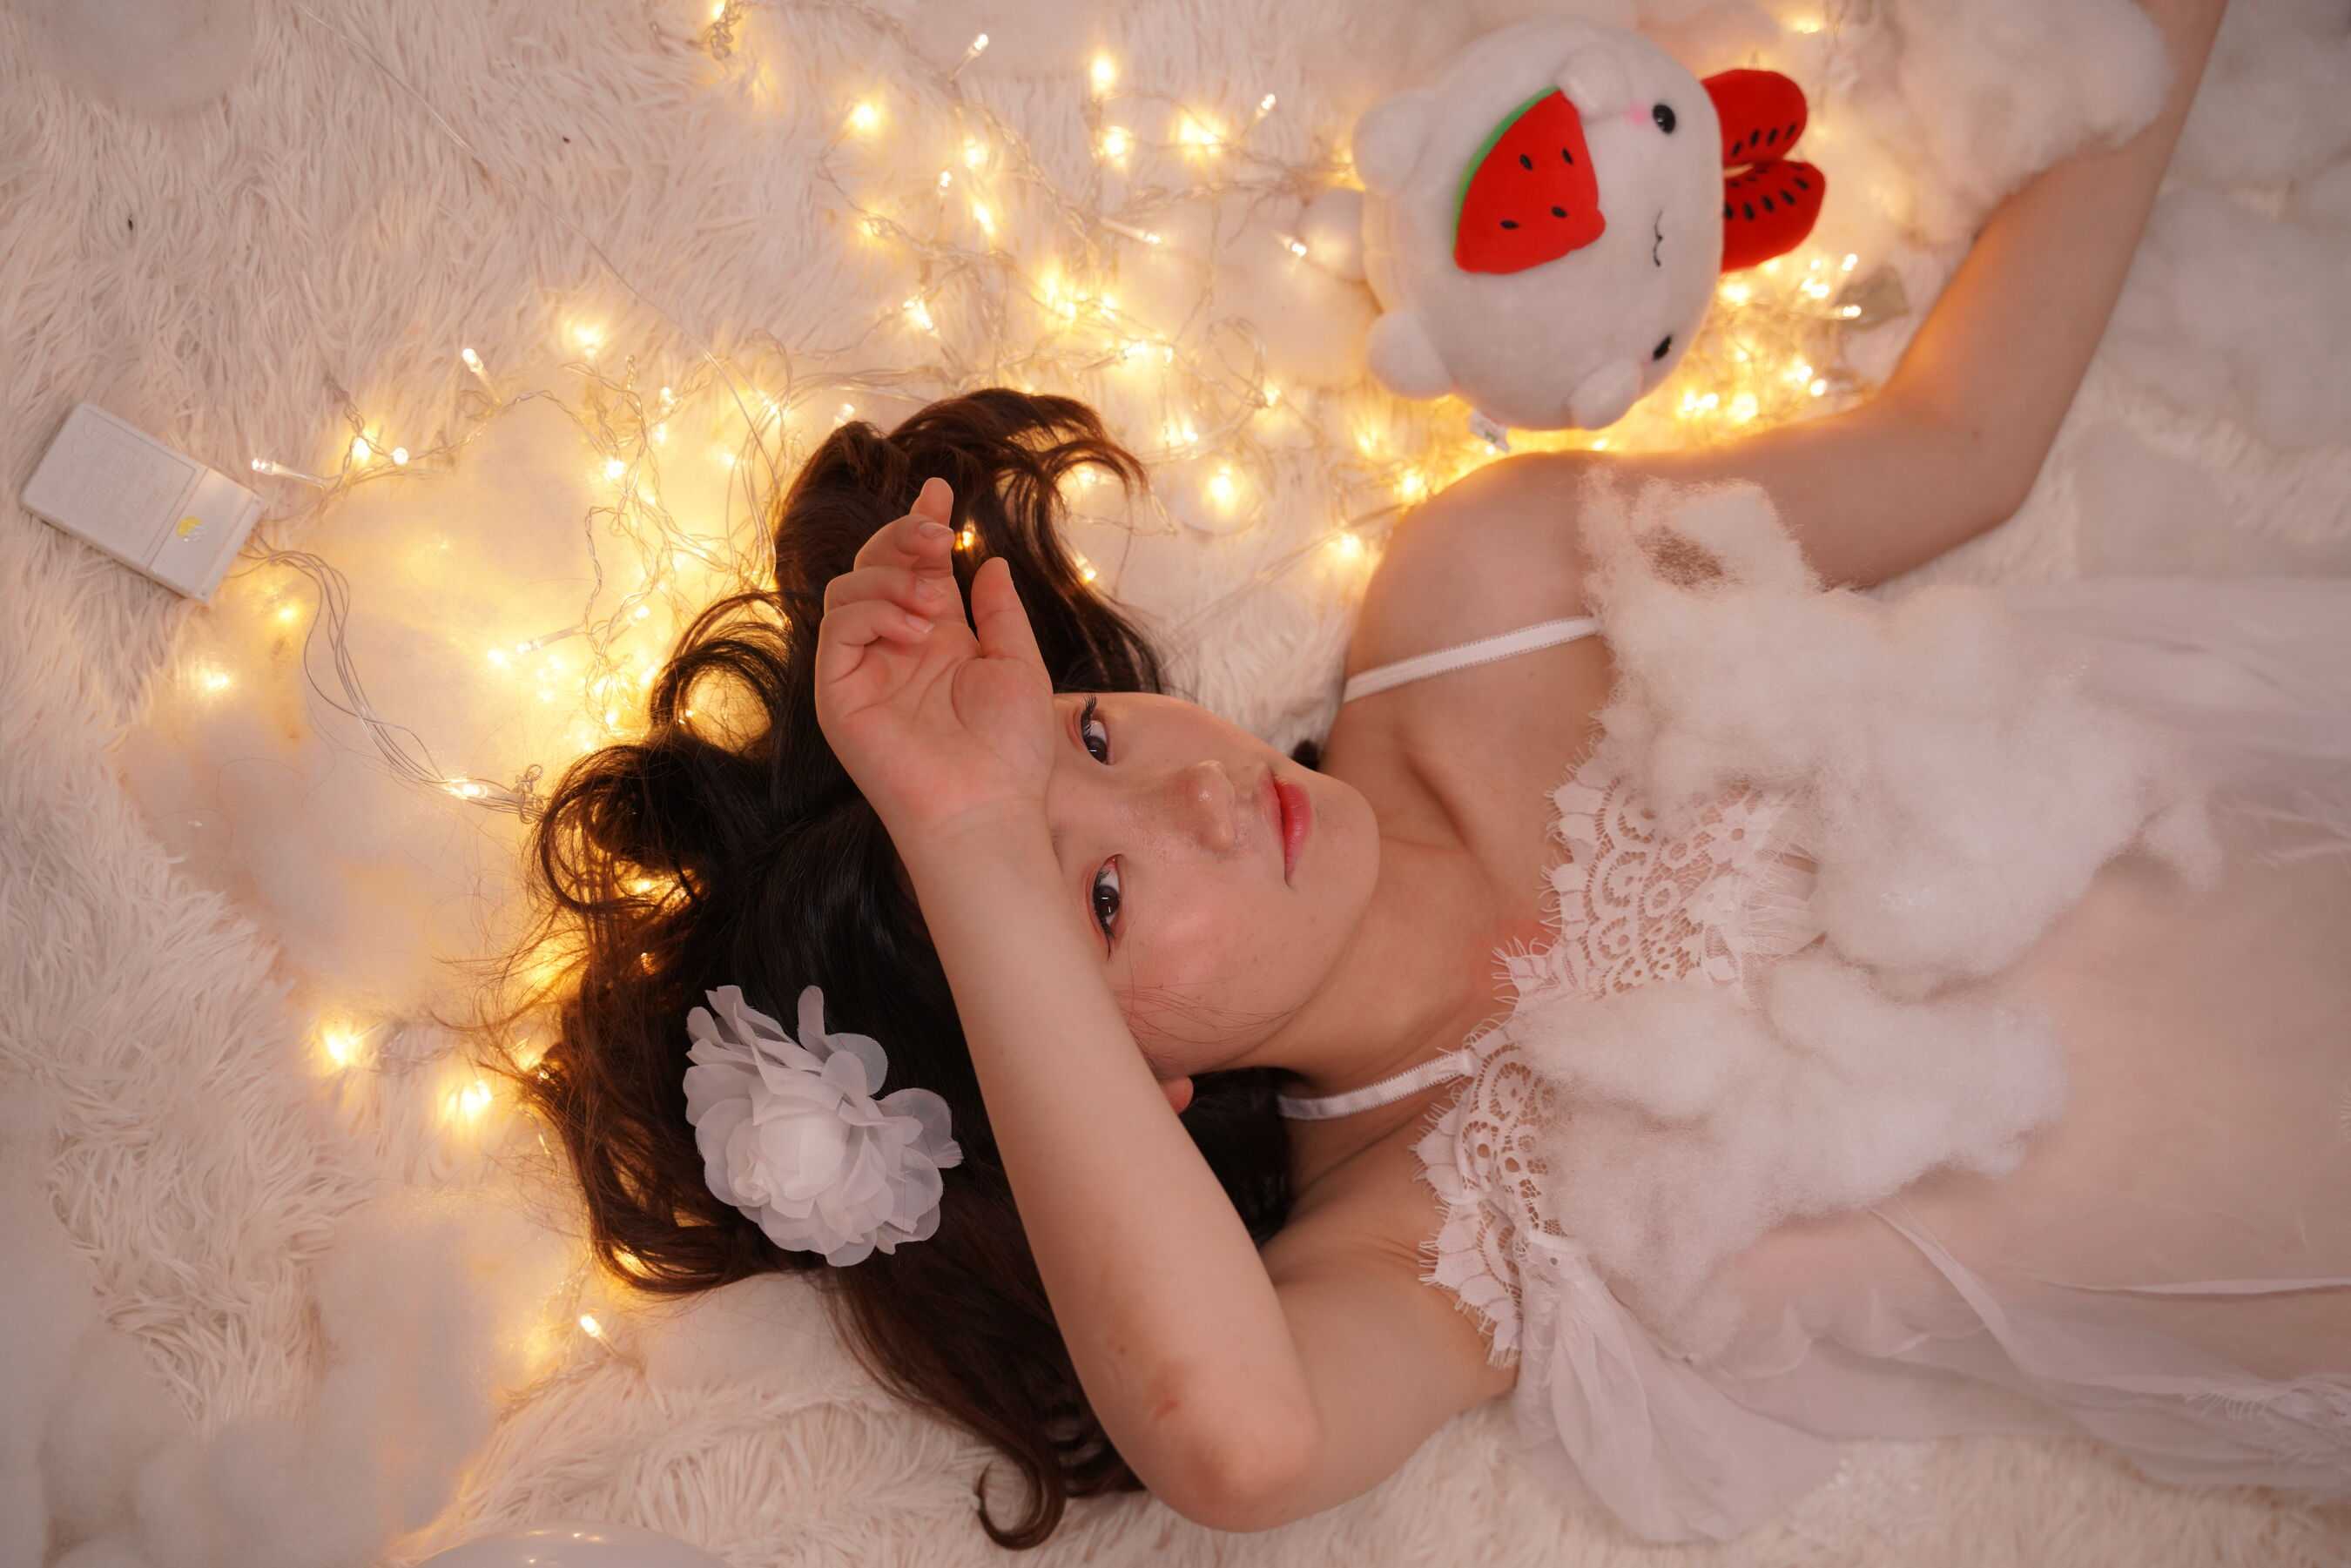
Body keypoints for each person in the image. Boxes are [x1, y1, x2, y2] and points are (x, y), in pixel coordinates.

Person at [480, 0, 2349, 1546]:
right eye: (1103, 897)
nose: (1198, 792)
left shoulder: (1487, 601)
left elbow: (1962, 447)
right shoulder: (1424, 1224)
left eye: (1095, 738)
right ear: (1117, 1081)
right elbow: (1241, 1445)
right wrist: (967, 839)